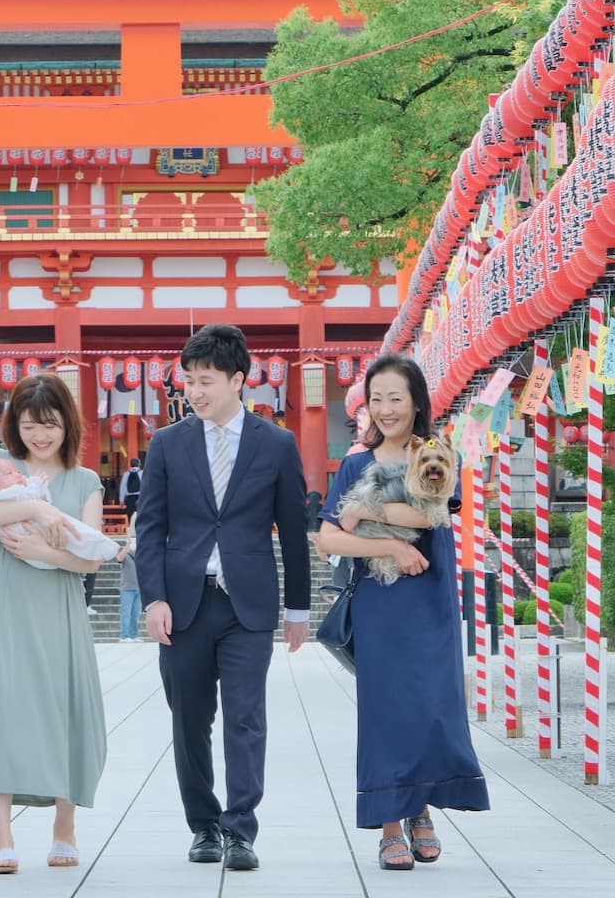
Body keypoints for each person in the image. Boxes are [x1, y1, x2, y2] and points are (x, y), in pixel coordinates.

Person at [134, 323, 311, 872]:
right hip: (184, 605)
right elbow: (150, 529)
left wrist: (299, 608)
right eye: (189, 380)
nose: (195, 391)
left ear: (239, 380)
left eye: (206, 380)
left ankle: (239, 829)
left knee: (245, 718)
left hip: (247, 605)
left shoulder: (276, 444)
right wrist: (153, 599)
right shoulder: (167, 443)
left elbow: (292, 526)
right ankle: (203, 825)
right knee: (189, 719)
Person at [316, 353, 489, 871]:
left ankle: (421, 811)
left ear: (416, 403)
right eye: (376, 399)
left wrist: (367, 510)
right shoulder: (353, 464)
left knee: (435, 707)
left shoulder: (437, 455)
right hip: (381, 604)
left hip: (431, 597)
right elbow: (327, 534)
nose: (386, 409)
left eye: (396, 398)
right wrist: (389, 548)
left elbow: (431, 510)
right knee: (385, 710)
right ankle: (391, 822)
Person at [0, 372, 107, 875]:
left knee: (63, 706)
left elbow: (89, 559)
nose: (40, 435)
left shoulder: (85, 480)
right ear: (13, 425)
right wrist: (35, 507)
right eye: (29, 424)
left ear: (68, 424)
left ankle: (64, 827)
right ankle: (2, 839)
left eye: (50, 423)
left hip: (56, 602)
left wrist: (47, 550)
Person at [0, 457, 118, 569]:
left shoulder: (87, 478)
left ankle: (97, 545)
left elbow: (38, 498)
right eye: (9, 473)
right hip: (25, 534)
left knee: (72, 531)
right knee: (71, 531)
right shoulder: (0, 495)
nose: (17, 475)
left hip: (39, 546)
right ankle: (98, 545)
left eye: (17, 471)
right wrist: (36, 486)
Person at [116, 512, 140, 641]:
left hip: (139, 587)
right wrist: (127, 546)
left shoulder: (140, 553)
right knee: (126, 613)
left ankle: (134, 635)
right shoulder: (123, 551)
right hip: (127, 588)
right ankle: (124, 636)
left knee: (135, 614)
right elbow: (119, 558)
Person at [119, 457, 143, 521]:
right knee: (140, 515)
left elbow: (123, 487)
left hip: (129, 498)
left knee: (130, 515)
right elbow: (146, 486)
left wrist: (121, 500)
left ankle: (131, 528)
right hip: (140, 497)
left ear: (130, 464)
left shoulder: (126, 474)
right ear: (139, 464)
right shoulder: (142, 473)